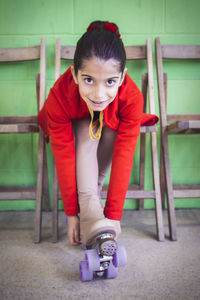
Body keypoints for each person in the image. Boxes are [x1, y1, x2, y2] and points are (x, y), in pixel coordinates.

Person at [38, 20, 158, 253]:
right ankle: (89, 211)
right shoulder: (61, 94)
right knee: (86, 128)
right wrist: (71, 214)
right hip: (75, 125)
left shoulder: (131, 96)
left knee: (110, 129)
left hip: (111, 122)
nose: (98, 94)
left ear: (122, 77)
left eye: (110, 81)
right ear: (74, 74)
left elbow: (124, 156)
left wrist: (114, 216)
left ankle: (95, 215)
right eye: (89, 80)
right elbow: (63, 157)